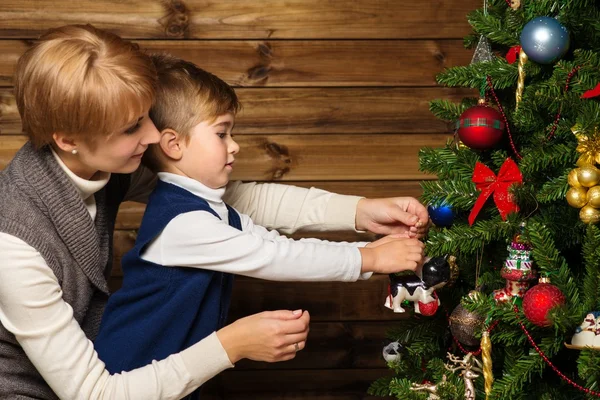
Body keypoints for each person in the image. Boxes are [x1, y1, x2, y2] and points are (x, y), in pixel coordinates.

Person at [0, 24, 429, 400]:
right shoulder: (14, 245)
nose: (153, 135)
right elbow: (96, 393)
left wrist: (358, 212)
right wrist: (230, 345)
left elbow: (225, 199)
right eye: (132, 127)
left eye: (147, 116)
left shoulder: (106, 163)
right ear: (68, 138)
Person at [93, 54, 426, 391]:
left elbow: (275, 245)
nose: (234, 146)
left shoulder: (210, 207)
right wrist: (368, 259)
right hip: (129, 372)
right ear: (174, 144)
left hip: (169, 372)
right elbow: (272, 258)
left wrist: (367, 246)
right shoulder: (183, 223)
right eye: (221, 134)